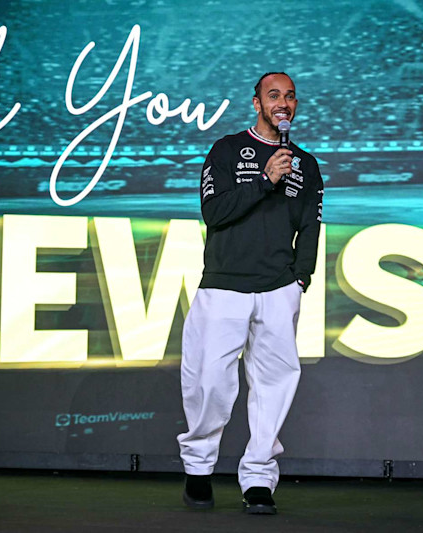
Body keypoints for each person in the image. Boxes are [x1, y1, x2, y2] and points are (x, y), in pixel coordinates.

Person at [177, 72, 324, 514]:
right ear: (256, 102)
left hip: (279, 288)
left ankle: (259, 477)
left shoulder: (306, 163)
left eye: (291, 96)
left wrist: (301, 278)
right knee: (208, 383)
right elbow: (213, 212)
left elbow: (311, 227)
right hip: (224, 285)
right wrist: (264, 179)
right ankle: (199, 468)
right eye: (274, 95)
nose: (284, 102)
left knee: (274, 385)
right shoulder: (226, 150)